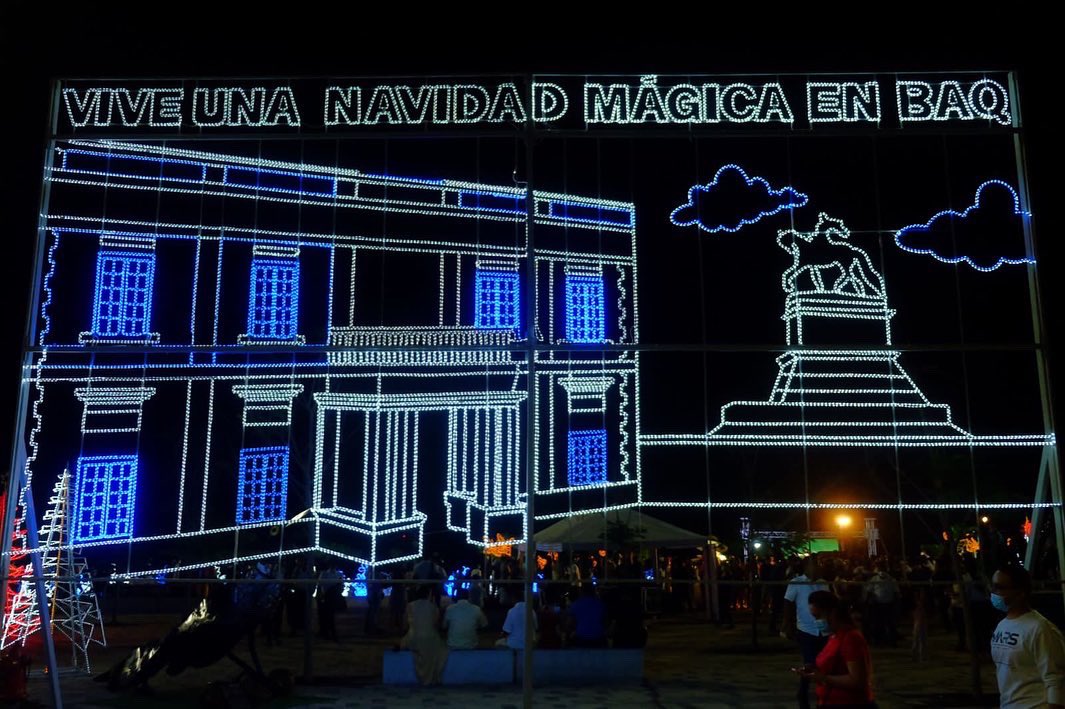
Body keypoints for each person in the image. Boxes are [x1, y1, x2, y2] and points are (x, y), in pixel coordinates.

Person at [989, 565, 1065, 708]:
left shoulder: (1040, 628)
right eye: (992, 586)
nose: (993, 592)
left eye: (999, 587)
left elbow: (1054, 677)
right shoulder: (1002, 625)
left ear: (1020, 593)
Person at [795, 590, 875, 708]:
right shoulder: (834, 636)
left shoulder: (850, 638)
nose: (816, 622)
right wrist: (813, 669)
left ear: (832, 613)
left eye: (818, 616)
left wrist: (823, 678)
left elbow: (857, 680)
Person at [784, 558, 831, 709]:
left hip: (823, 630)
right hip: (806, 629)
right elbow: (788, 603)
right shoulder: (796, 582)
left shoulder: (823, 583)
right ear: (806, 567)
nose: (818, 567)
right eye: (815, 565)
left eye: (819, 564)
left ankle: (821, 691)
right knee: (809, 662)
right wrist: (788, 624)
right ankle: (803, 691)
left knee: (824, 662)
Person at [399, 586, 448, 685]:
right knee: (441, 651)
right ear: (429, 595)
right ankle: (432, 677)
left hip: (413, 637)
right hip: (430, 637)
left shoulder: (410, 606)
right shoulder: (433, 607)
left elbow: (404, 624)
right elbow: (436, 624)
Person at [564, 582, 608, 647]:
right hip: (598, 637)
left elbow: (569, 623)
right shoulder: (600, 604)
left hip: (582, 637)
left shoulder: (576, 604)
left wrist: (571, 633)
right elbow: (605, 621)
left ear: (581, 591)